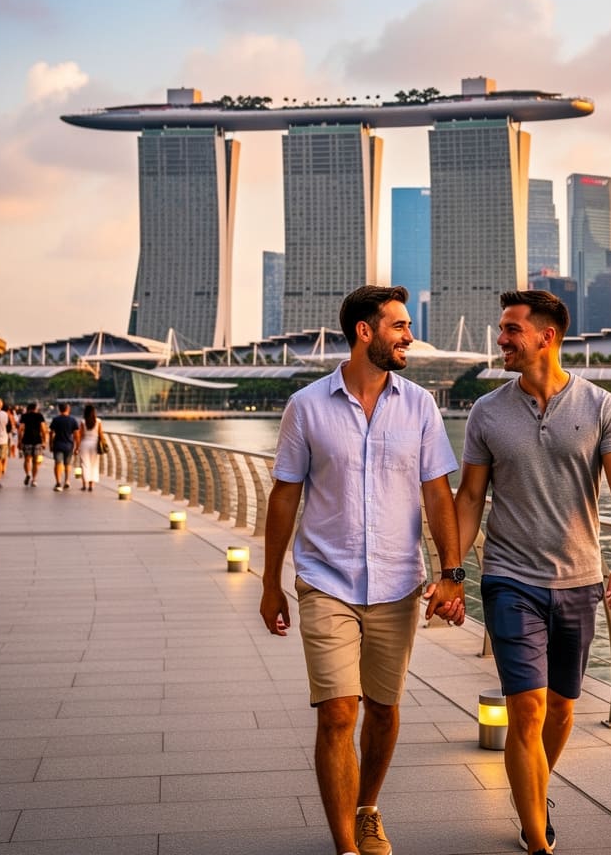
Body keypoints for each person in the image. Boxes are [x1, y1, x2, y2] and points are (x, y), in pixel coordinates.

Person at [259, 285, 466, 855]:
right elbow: (284, 496)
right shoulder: (306, 406)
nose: (410, 336)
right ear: (364, 333)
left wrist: (453, 572)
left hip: (399, 583)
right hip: (326, 580)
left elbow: (436, 492)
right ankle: (347, 846)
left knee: (383, 708)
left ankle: (367, 806)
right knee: (337, 712)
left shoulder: (419, 405)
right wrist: (270, 582)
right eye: (400, 326)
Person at [454, 290, 611, 855]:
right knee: (528, 707)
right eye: (502, 328)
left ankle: (534, 790)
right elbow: (469, 498)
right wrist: (450, 571)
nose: (501, 339)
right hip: (510, 578)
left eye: (512, 329)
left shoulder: (600, 407)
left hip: (579, 580)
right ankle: (537, 838)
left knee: (562, 709)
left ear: (547, 337)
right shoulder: (487, 412)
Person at [74, 403, 106, 492]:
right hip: (95, 444)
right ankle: (91, 485)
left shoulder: (83, 421)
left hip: (84, 444)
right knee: (94, 464)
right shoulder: (98, 421)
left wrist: (76, 448)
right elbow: (101, 434)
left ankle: (84, 485)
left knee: (84, 464)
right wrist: (103, 443)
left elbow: (80, 435)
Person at [48, 402, 78, 491]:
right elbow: (77, 434)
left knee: (58, 463)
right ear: (68, 409)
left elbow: (51, 432)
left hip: (58, 444)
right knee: (67, 464)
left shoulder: (56, 419)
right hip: (69, 445)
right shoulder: (72, 420)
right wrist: (77, 446)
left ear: (59, 409)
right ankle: (67, 481)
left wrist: (50, 444)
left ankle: (58, 482)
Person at [18, 401, 48, 486]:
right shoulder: (39, 416)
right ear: (35, 408)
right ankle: (34, 480)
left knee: (27, 460)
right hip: (37, 441)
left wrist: (19, 441)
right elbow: (43, 429)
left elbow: (20, 429)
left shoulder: (24, 416)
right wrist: (44, 441)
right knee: (36, 461)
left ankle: (28, 474)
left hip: (26, 440)